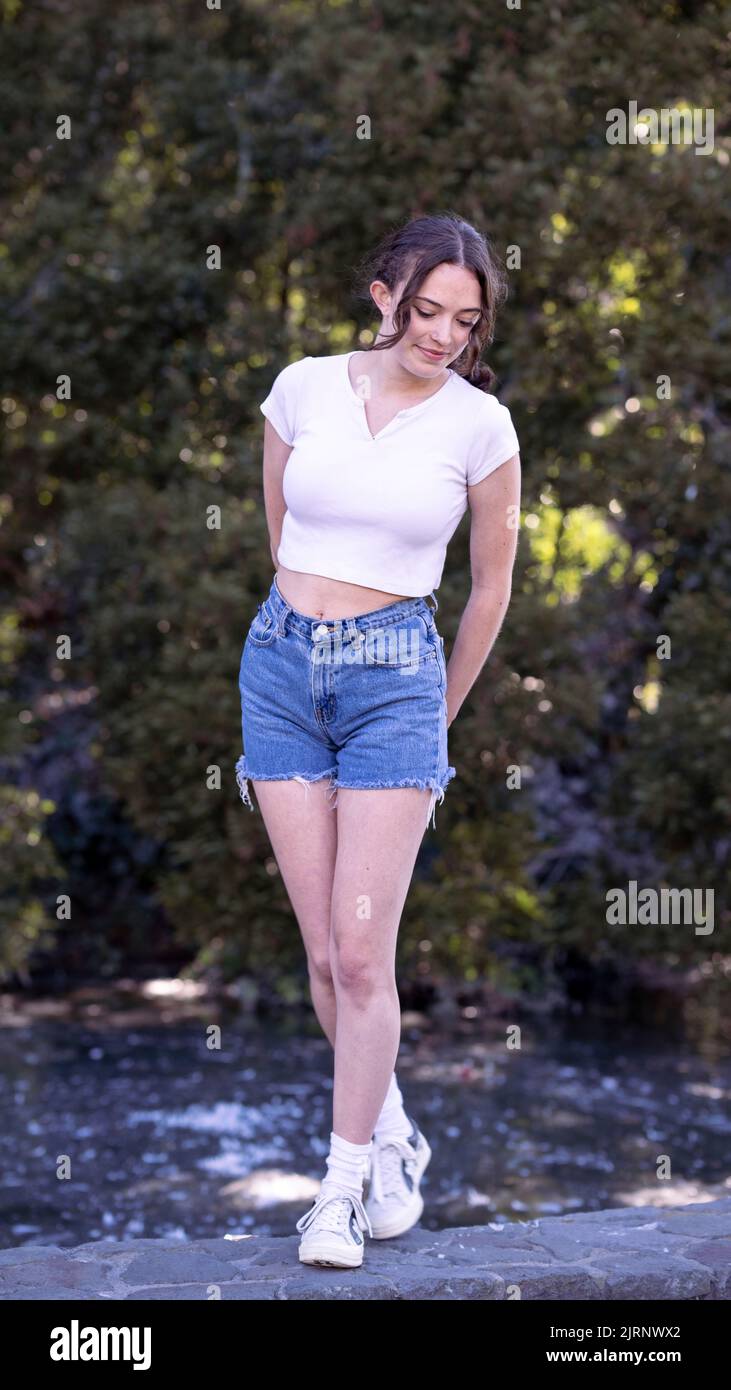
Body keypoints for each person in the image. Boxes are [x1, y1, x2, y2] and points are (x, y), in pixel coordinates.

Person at [235, 212, 521, 1269]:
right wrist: (304, 624)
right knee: (320, 950)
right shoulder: (302, 386)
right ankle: (394, 1133)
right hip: (280, 667)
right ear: (382, 292)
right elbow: (280, 527)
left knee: (362, 953)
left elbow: (489, 587)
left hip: (396, 676)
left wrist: (432, 713)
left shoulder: (479, 428)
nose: (444, 333)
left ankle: (341, 1192)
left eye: (466, 318)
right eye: (427, 309)